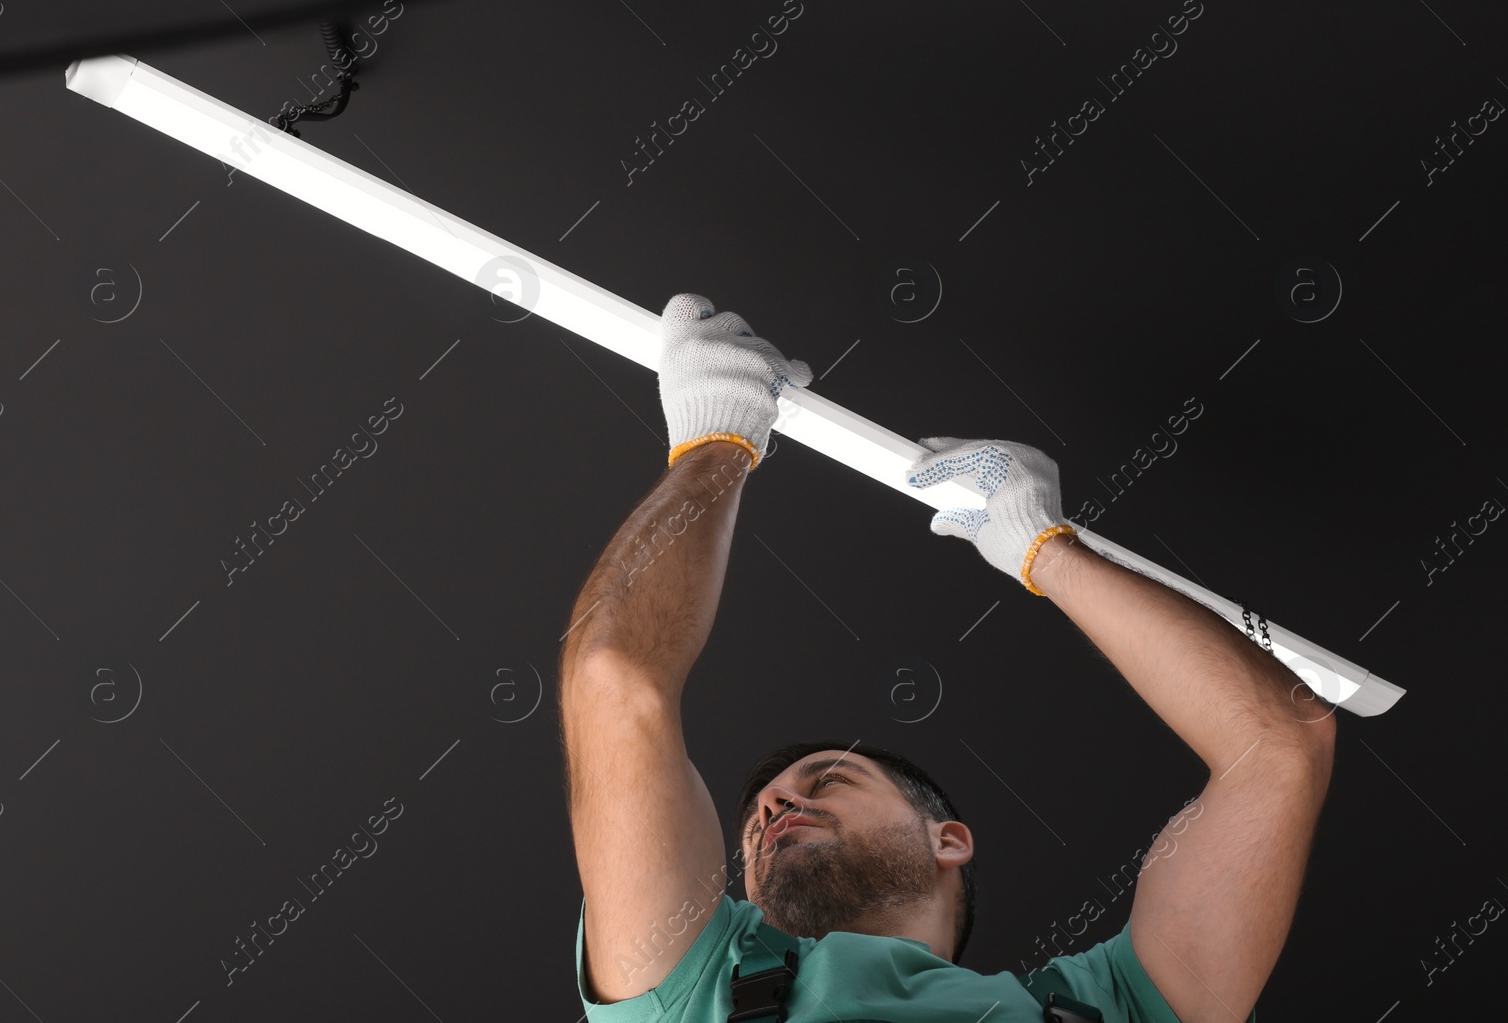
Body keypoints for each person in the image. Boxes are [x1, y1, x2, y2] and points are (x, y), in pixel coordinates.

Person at [558, 293, 1337, 1023]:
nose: (770, 810)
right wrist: (717, 437)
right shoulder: (697, 987)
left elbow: (1279, 741)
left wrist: (1047, 550)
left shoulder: (1110, 1006)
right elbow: (615, 679)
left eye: (828, 777)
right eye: (770, 807)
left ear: (949, 840)